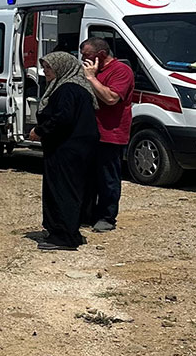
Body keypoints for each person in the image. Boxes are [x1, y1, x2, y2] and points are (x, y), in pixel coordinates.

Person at [27, 52, 98, 251]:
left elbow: (62, 118)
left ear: (62, 67)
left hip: (67, 150)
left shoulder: (68, 89)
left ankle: (64, 236)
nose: (45, 72)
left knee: (63, 191)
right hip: (75, 150)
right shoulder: (76, 87)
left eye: (49, 68)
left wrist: (40, 131)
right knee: (70, 190)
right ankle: (65, 230)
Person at [79, 37, 135, 232]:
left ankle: (107, 217)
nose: (83, 59)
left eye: (87, 55)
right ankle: (85, 214)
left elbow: (111, 98)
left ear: (101, 55)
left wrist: (92, 79)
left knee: (107, 178)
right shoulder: (91, 71)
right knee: (86, 177)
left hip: (111, 132)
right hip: (89, 132)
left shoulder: (121, 71)